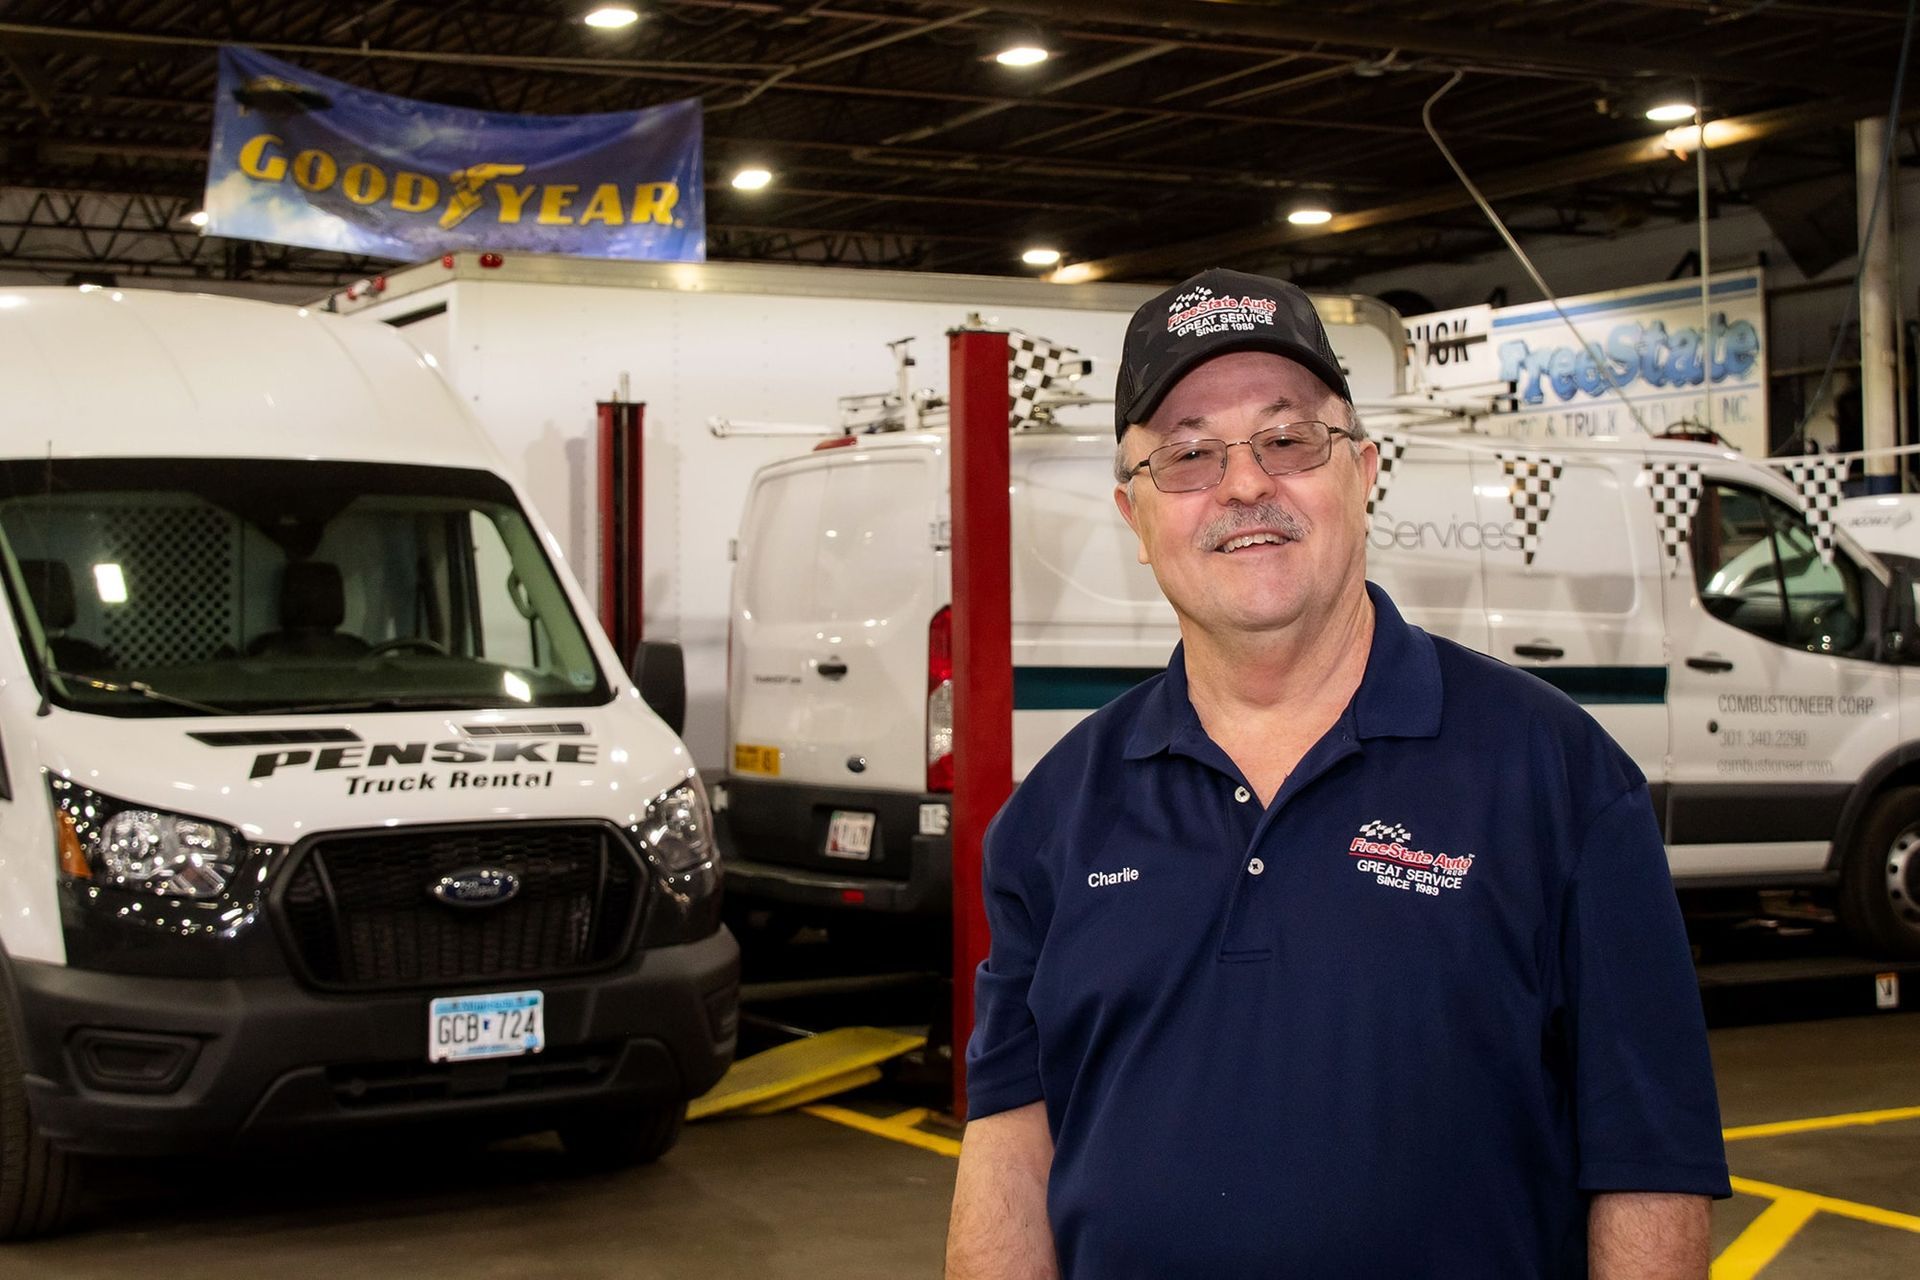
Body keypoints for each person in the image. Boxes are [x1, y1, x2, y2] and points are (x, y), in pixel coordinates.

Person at [945, 268, 1729, 1279]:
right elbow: (1013, 1140)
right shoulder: (1054, 815)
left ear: (1364, 471)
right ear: (1134, 517)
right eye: (1187, 455)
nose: (1243, 485)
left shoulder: (1561, 780)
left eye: (1288, 440)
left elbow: (1648, 1163)